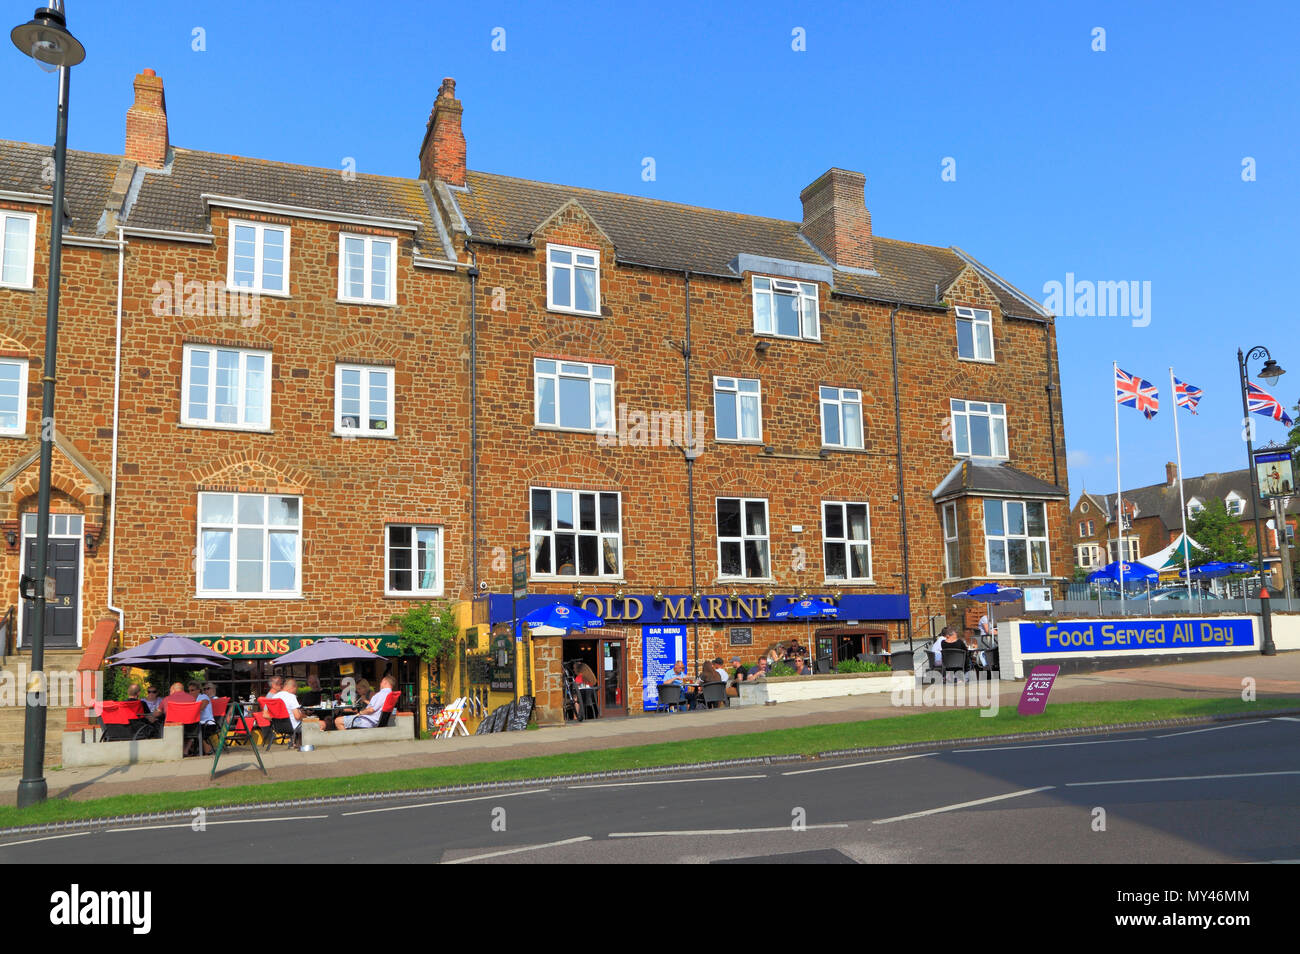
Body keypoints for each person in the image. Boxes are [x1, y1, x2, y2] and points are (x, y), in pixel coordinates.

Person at [270, 676, 306, 746]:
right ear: (293, 687)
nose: (296, 692)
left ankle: (295, 742)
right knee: (320, 724)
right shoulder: (291, 697)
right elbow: (297, 716)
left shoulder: (274, 697)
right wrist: (306, 716)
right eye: (296, 689)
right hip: (293, 726)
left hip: (278, 727)